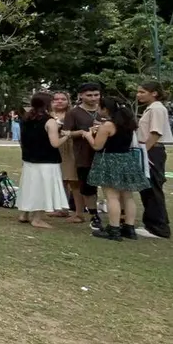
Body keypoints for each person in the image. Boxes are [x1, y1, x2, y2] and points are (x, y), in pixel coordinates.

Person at [84, 97, 150, 240]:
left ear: (105, 109)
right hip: (126, 159)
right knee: (128, 196)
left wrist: (89, 135)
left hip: (110, 160)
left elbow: (97, 146)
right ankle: (129, 227)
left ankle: (113, 229)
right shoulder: (128, 123)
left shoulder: (107, 125)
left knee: (112, 196)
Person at [17, 92, 72, 228]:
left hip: (30, 159)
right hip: (46, 160)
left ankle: (24, 213)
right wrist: (66, 136)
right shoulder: (50, 121)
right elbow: (55, 143)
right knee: (42, 188)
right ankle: (37, 218)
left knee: (30, 186)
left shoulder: (26, 118)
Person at [63, 83, 104, 230]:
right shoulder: (74, 113)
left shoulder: (105, 110)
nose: (93, 98)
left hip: (105, 154)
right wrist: (83, 132)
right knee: (87, 186)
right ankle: (93, 215)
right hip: (83, 154)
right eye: (89, 95)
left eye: (96, 95)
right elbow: (66, 133)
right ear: (81, 95)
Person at [136, 81, 171, 238]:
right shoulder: (151, 109)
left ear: (154, 93)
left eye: (142, 92)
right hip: (150, 149)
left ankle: (158, 227)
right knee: (147, 187)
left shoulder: (157, 109)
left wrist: (144, 152)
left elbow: (155, 132)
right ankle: (152, 223)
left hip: (153, 150)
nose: (139, 95)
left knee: (152, 188)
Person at [51, 90, 84, 222]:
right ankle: (62, 209)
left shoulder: (73, 114)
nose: (59, 101)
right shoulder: (48, 114)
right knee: (60, 180)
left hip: (70, 148)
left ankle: (79, 212)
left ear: (68, 101)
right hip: (53, 149)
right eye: (56, 99)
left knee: (73, 180)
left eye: (63, 99)